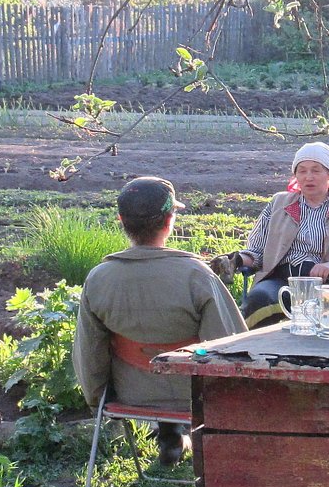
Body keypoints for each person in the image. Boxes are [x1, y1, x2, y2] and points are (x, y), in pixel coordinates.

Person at [74, 176, 246, 466]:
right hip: (192, 396)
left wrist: (98, 400)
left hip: (131, 395)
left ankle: (171, 440)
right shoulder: (197, 276)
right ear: (170, 220)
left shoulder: (98, 279)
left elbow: (89, 355)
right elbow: (230, 347)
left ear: (121, 220)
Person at [211, 142, 329, 328]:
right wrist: (237, 260)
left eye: (316, 170)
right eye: (302, 171)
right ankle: (252, 352)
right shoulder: (279, 204)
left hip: (326, 284)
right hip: (281, 281)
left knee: (327, 317)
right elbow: (257, 251)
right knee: (260, 298)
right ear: (295, 175)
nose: (308, 177)